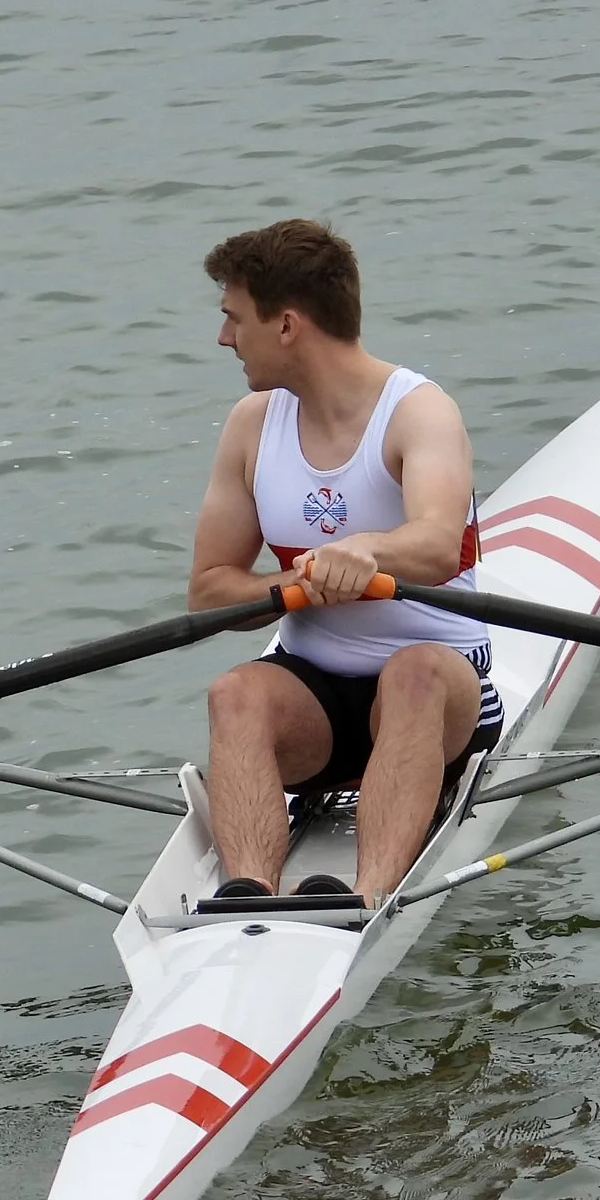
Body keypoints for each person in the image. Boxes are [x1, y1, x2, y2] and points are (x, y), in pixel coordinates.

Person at [186, 219, 502, 903]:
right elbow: (210, 593)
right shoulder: (250, 425)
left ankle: (367, 899)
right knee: (233, 691)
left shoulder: (418, 412)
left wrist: (367, 550)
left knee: (413, 675)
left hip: (438, 690)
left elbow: (439, 543)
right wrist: (295, 581)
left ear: (288, 326)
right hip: (315, 703)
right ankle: (248, 894)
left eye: (233, 318)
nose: (223, 338)